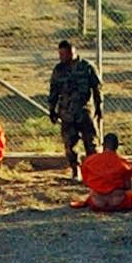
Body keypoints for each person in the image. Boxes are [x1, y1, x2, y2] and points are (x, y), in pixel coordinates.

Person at [47, 39, 103, 176]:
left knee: (91, 144)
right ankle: (75, 170)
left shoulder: (87, 67)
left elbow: (97, 88)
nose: (62, 57)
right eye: (60, 54)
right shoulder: (59, 69)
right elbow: (54, 90)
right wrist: (52, 109)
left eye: (64, 54)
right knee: (70, 145)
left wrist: (99, 107)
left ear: (72, 51)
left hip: (84, 112)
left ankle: (92, 173)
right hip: (66, 113)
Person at [69, 131, 132, 211]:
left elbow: (86, 183)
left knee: (91, 197)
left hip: (97, 203)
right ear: (116, 147)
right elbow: (127, 186)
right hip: (118, 203)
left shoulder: (89, 161)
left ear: (103, 145)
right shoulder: (125, 165)